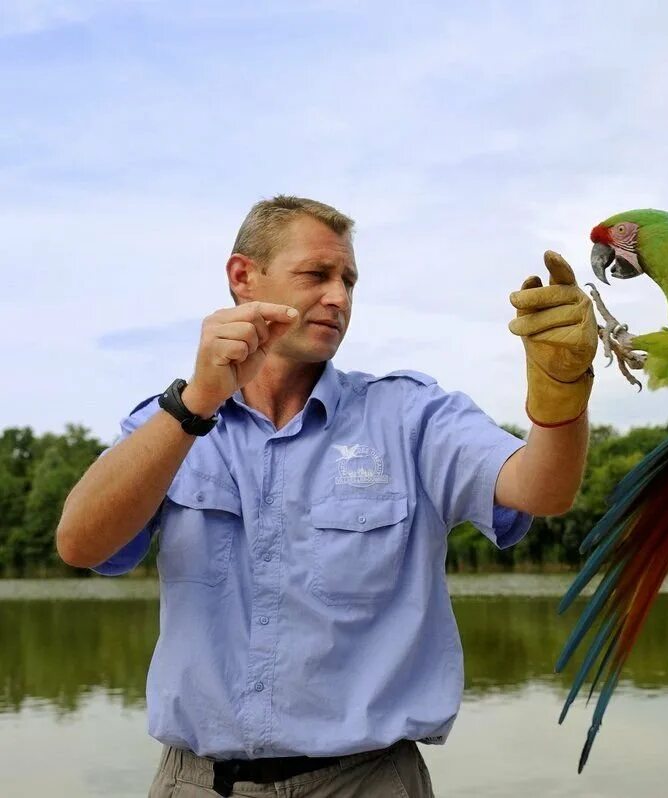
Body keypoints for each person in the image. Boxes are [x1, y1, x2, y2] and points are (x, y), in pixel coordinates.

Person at [55, 196, 598, 797]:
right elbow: (80, 543)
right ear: (243, 278)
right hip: (194, 783)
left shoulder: (411, 414)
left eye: (349, 280)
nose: (339, 298)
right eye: (317, 275)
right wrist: (194, 404)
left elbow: (543, 489)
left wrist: (562, 393)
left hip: (368, 780)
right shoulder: (171, 426)